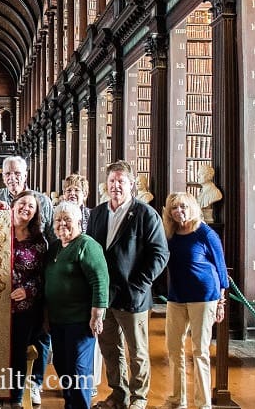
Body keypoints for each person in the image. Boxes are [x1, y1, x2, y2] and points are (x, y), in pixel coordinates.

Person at [87, 160, 169, 409]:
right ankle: (118, 394)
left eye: (121, 181)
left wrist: (139, 285)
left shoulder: (146, 214)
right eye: (111, 181)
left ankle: (139, 398)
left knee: (137, 352)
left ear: (131, 184)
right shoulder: (98, 213)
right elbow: (90, 250)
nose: (115, 186)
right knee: (110, 349)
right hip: (103, 296)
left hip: (133, 296)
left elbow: (160, 254)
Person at [0, 155, 54, 405]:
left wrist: (34, 289)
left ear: (26, 174)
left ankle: (31, 385)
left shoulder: (42, 201)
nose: (13, 177)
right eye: (8, 173)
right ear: (3, 176)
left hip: (29, 291)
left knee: (33, 340)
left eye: (17, 173)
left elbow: (51, 244)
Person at [161, 192, 229, 409]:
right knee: (174, 349)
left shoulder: (206, 234)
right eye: (174, 208)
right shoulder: (170, 233)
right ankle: (177, 399)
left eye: (183, 206)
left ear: (192, 207)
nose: (179, 211)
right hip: (177, 297)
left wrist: (221, 302)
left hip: (204, 297)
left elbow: (221, 268)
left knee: (200, 352)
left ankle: (203, 404)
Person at [45, 201, 109, 409]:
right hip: (57, 320)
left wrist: (98, 314)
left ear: (79, 221)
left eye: (67, 220)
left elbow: (100, 280)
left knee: (79, 371)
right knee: (62, 366)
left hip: (80, 321)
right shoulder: (54, 247)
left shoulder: (86, 245)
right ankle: (70, 405)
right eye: (58, 220)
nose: (62, 224)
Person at [8, 190, 47, 408]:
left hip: (24, 307)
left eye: (31, 206)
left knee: (18, 351)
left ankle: (15, 396)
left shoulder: (38, 240)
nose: (26, 208)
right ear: (13, 205)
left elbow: (42, 275)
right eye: (23, 203)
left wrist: (28, 290)